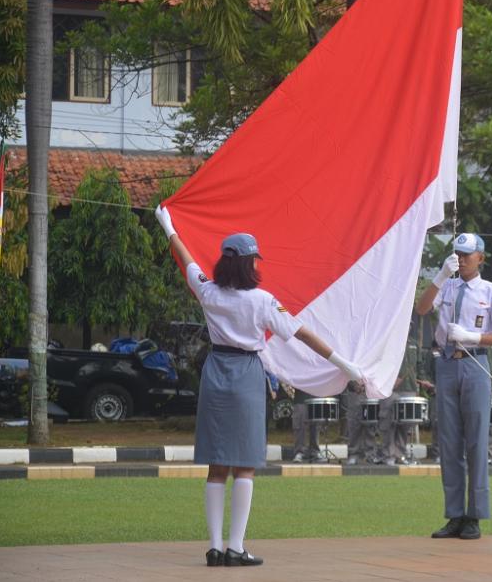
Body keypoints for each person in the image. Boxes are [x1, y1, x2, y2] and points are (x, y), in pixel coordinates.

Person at [154, 206, 360, 567]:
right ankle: (237, 546)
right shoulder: (263, 301)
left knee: (216, 466)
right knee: (244, 465)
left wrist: (168, 225)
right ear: (250, 265)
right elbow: (302, 333)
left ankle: (215, 547)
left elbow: (186, 258)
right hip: (247, 373)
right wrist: (343, 363)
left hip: (216, 371)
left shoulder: (208, 292)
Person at [414, 232, 492, 540]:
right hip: (446, 364)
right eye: (457, 253)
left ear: (481, 257)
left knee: (476, 443)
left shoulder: (491, 291)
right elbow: (421, 309)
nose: (462, 259)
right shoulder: (448, 285)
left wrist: (473, 337)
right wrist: (440, 275)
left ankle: (475, 516)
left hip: (474, 362)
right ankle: (455, 515)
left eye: (467, 254)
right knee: (449, 443)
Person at [379, 339, 421, 466]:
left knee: (405, 425)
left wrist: (417, 385)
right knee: (387, 423)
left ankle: (400, 454)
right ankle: (388, 455)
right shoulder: (387, 341)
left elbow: (418, 365)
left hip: (409, 388)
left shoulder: (414, 344)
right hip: (389, 388)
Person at [418, 342, 442, 463]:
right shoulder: (432, 353)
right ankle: (437, 454)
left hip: (453, 393)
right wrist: (432, 386)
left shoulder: (455, 350)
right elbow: (426, 373)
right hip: (437, 393)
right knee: (438, 424)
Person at [290, 385, 320, 463]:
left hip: (316, 394)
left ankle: (314, 452)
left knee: (315, 426)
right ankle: (299, 452)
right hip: (300, 397)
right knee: (299, 425)